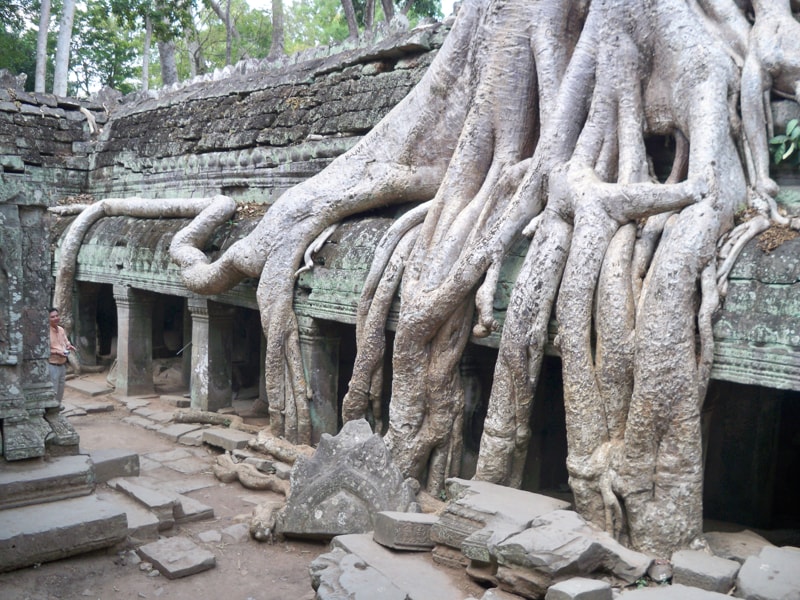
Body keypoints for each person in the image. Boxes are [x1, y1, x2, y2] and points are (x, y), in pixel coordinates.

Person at [48, 307, 75, 406]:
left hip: (62, 364)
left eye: (57, 316)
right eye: (52, 317)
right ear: (47, 319)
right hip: (52, 365)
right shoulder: (45, 332)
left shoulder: (61, 329)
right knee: (53, 391)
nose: (56, 318)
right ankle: (51, 410)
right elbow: (44, 351)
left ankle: (57, 409)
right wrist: (56, 352)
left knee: (60, 390)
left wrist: (69, 346)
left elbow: (66, 341)